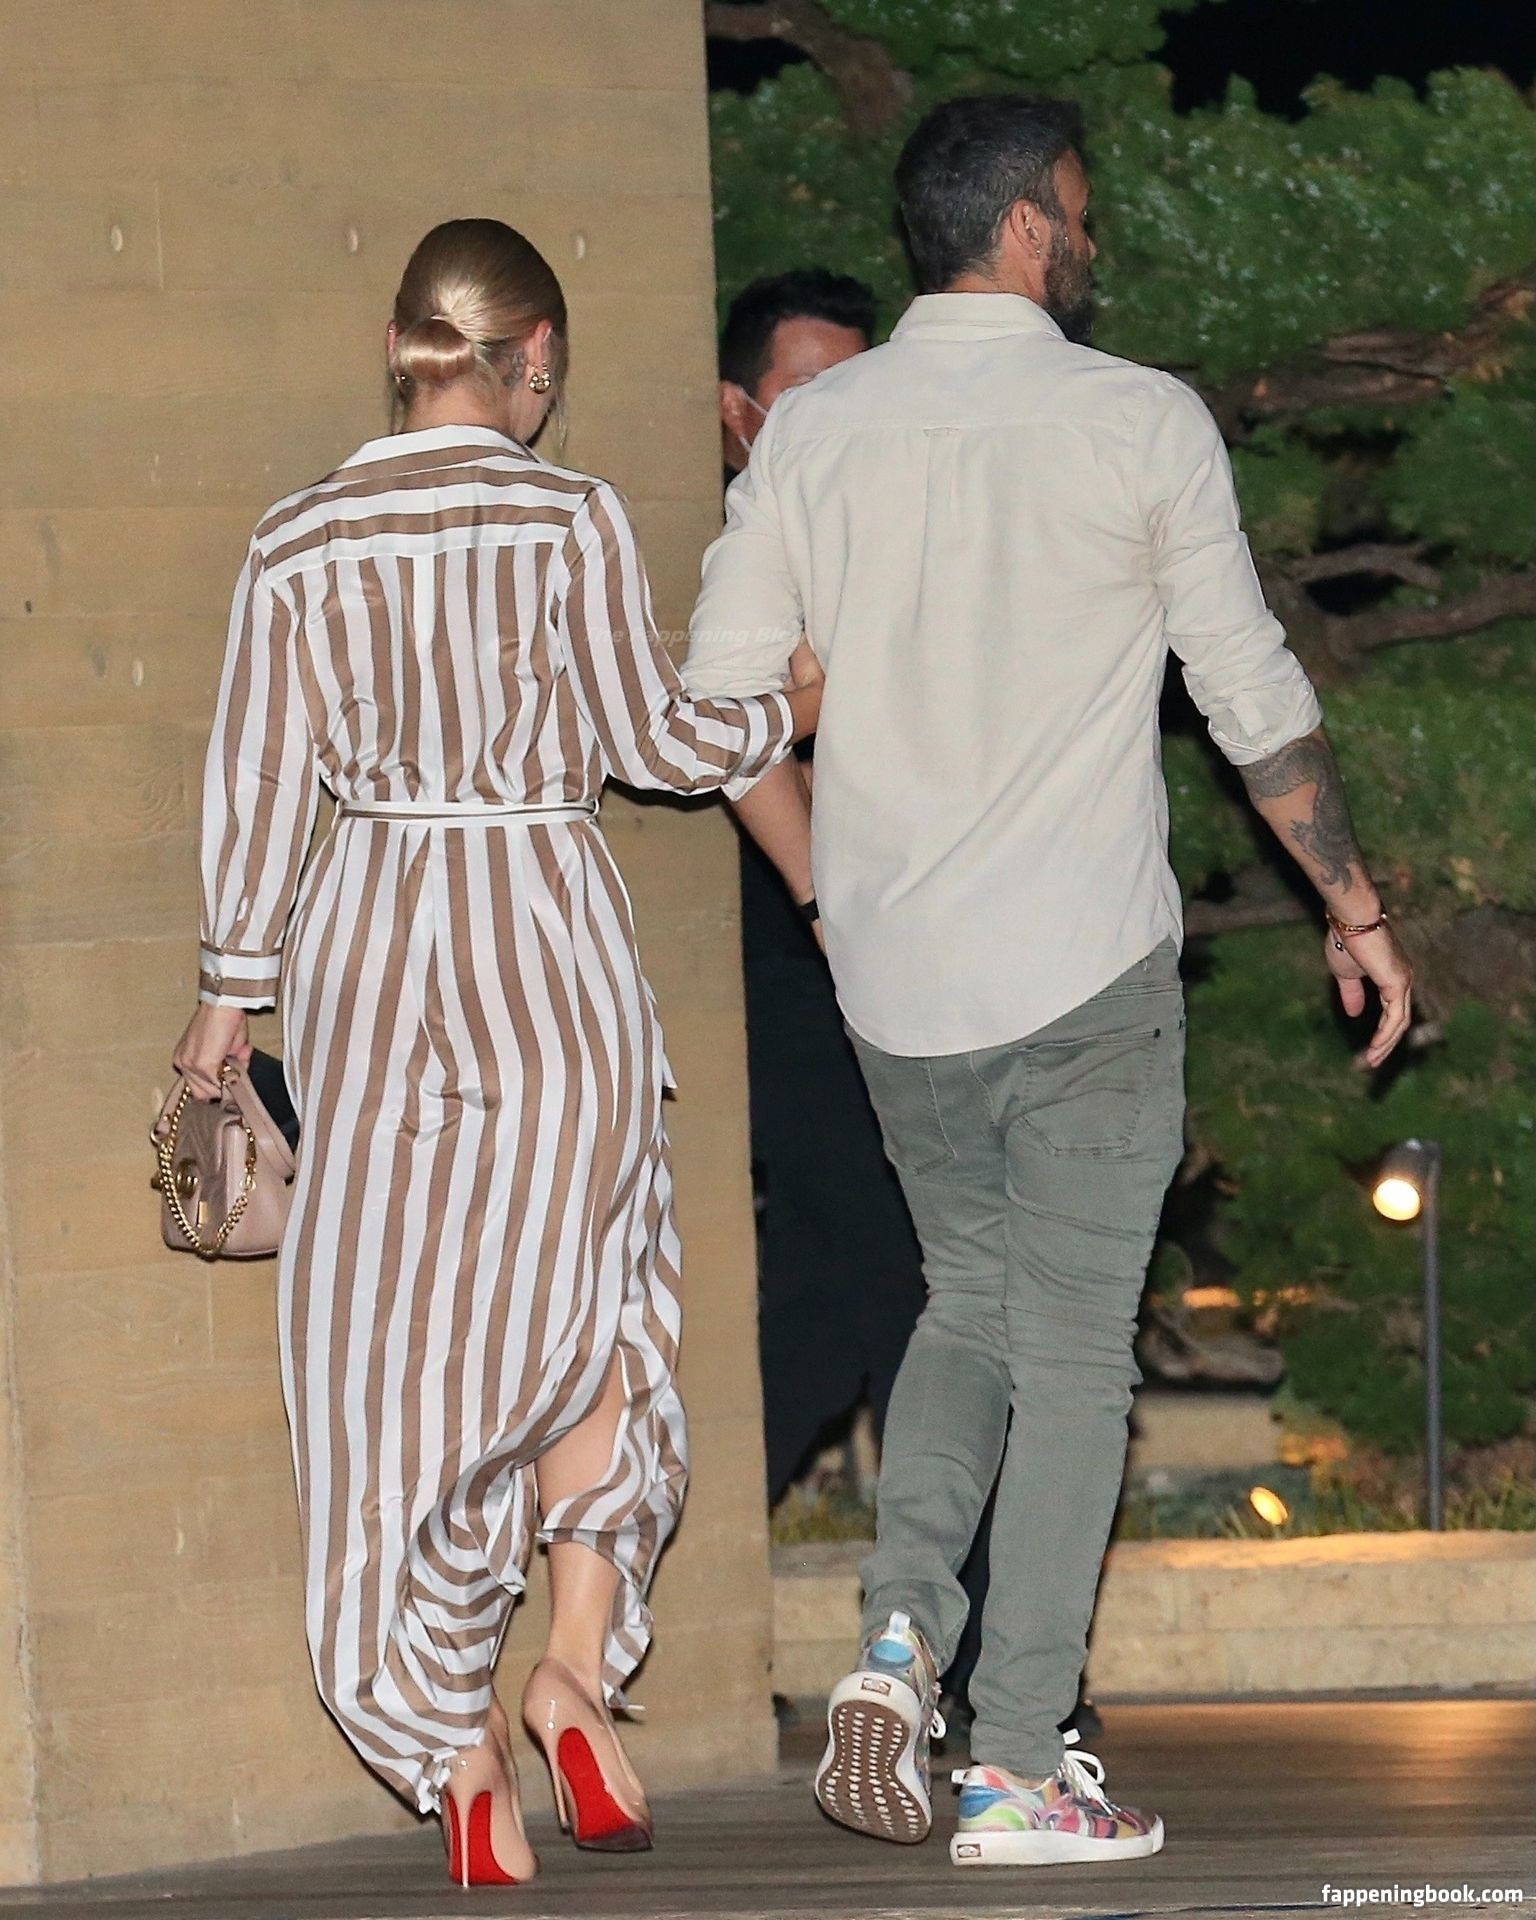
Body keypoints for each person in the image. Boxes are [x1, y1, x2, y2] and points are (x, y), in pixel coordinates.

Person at [685, 94, 1412, 1870]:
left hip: (898, 977)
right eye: (1078, 211)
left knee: (967, 1305)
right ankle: (1015, 1762)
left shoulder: (814, 431)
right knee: (1074, 1359)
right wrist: (1350, 901)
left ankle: (896, 1642)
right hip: (1083, 970)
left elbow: (717, 705)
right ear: (1022, 228)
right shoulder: (1136, 419)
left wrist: (859, 692)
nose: (1091, 237)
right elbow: (1247, 693)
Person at [171, 218, 820, 1888]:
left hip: (375, 953)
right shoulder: (568, 514)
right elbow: (654, 740)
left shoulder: (300, 535)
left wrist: (228, 999)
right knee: (595, 1303)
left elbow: (258, 780)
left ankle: (452, 1743)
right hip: (546, 939)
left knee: (398, 1346)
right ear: (531, 358)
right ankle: (572, 1671)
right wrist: (785, 708)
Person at [717, 271, 929, 1507]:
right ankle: (942, 1604)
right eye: (807, 393)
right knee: (904, 1276)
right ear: (737, 411)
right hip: (787, 974)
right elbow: (729, 730)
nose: (839, 419)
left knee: (823, 1299)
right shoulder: (730, 552)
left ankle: (645, 1553)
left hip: (905, 958)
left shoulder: (896, 543)